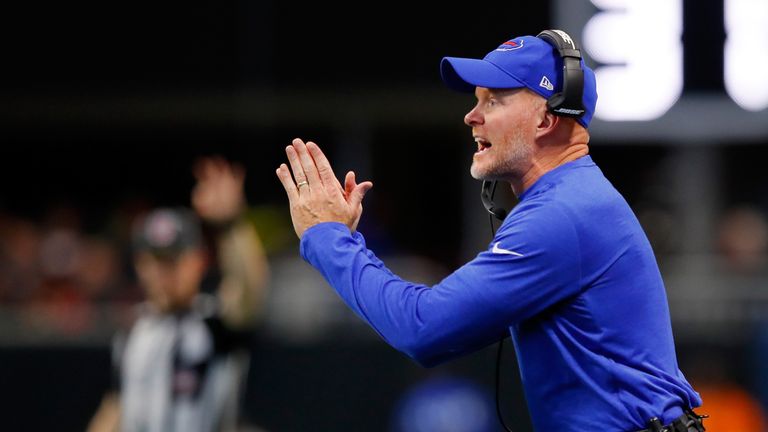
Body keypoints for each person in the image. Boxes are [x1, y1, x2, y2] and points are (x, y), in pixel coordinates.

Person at [275, 30, 704, 431]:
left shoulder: (561, 214)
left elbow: (424, 329)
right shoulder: (570, 200)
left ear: (545, 120)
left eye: (494, 101)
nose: (471, 116)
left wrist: (328, 237)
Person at [89, 157, 269, 432]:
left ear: (198, 261)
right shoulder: (132, 330)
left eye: (174, 261)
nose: (165, 273)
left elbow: (248, 289)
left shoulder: (213, 323)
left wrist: (232, 225)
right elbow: (116, 404)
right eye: (157, 262)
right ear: (141, 265)